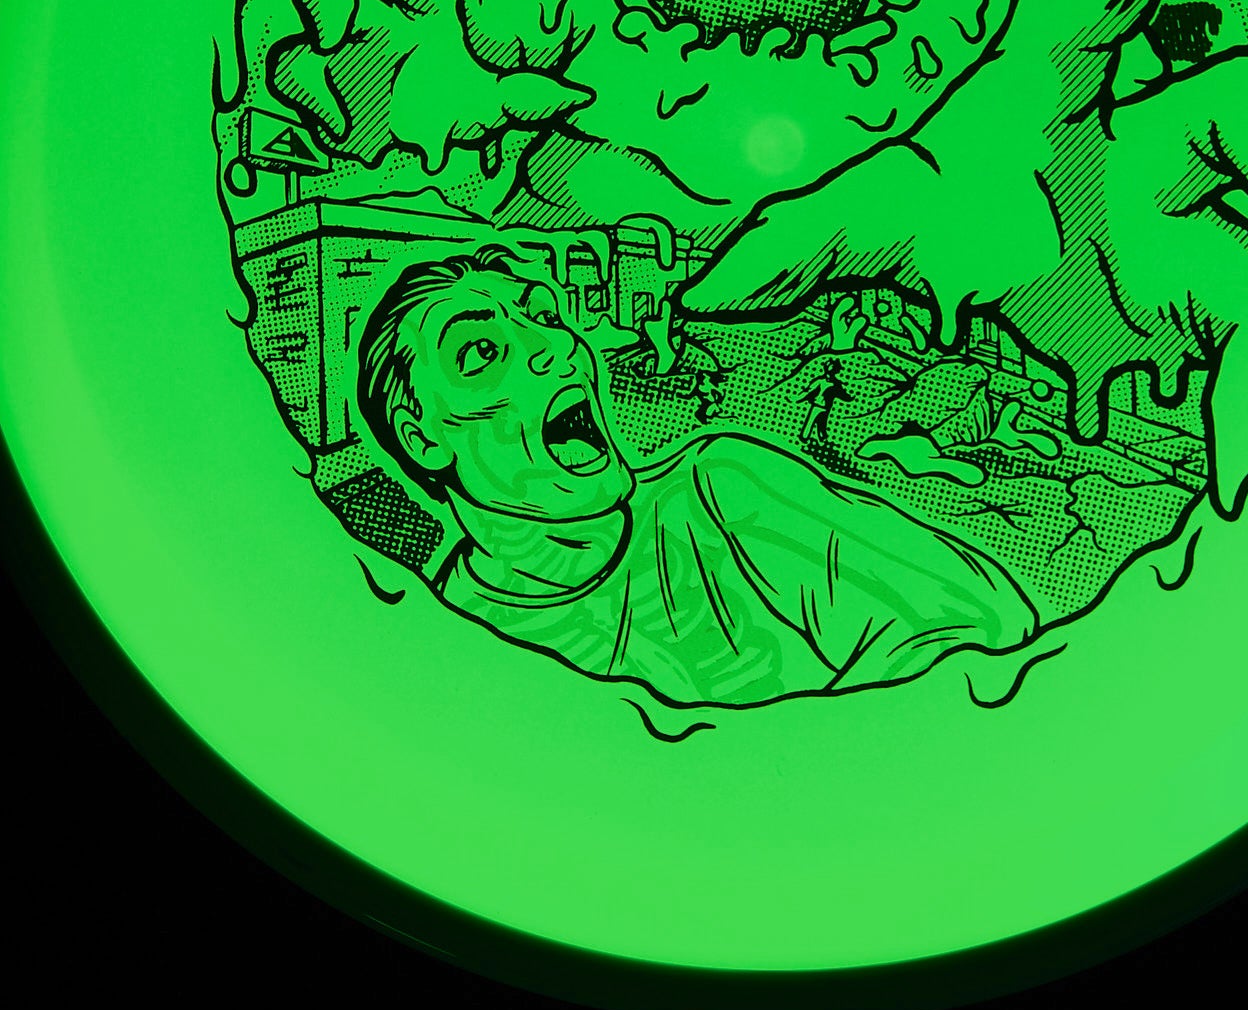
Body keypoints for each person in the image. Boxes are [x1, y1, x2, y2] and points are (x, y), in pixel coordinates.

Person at [356, 244, 1036, 706]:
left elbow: (979, 621)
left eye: (544, 316)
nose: (555, 346)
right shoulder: (450, 638)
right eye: (482, 351)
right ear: (423, 439)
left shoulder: (717, 490)